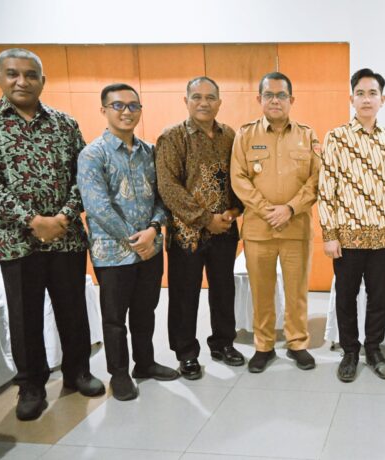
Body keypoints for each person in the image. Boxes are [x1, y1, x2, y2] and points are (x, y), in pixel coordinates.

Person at [0, 48, 104, 421]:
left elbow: (84, 176)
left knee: (73, 309)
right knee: (25, 317)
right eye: (13, 74)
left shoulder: (64, 123)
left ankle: (78, 372)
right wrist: (33, 221)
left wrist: (63, 217)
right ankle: (31, 386)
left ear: (42, 81)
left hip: (66, 237)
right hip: (17, 241)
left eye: (31, 74)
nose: (22, 81)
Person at [77, 83, 179, 401]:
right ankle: (119, 373)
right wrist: (135, 239)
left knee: (145, 311)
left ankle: (145, 363)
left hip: (151, 248)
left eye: (133, 106)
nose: (126, 111)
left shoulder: (150, 152)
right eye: (118, 105)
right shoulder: (93, 154)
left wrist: (153, 229)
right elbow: (97, 207)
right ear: (104, 110)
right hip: (113, 253)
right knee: (115, 318)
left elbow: (162, 197)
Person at [318, 68, 385, 382]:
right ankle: (350, 352)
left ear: (383, 99)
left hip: (383, 236)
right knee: (346, 297)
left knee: (378, 297)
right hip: (347, 237)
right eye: (360, 93)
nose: (366, 99)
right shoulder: (336, 138)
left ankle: (374, 349)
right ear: (351, 98)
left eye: (372, 94)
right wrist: (329, 234)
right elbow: (326, 188)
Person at [230, 72, 321, 373]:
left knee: (297, 291)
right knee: (262, 291)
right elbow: (238, 178)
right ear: (259, 99)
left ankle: (297, 343)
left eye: (281, 95)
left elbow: (316, 179)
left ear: (291, 100)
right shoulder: (245, 135)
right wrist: (267, 209)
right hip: (259, 228)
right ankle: (264, 345)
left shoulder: (307, 135)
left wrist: (291, 209)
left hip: (296, 228)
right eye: (269, 95)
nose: (275, 100)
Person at [156, 77, 245, 380]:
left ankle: (223, 343)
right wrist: (206, 219)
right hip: (187, 234)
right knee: (184, 295)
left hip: (225, 231)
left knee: (223, 291)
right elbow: (168, 187)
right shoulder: (172, 137)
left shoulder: (229, 135)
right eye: (197, 97)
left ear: (219, 102)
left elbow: (238, 177)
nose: (203, 103)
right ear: (186, 101)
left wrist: (235, 210)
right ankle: (186, 354)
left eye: (210, 97)